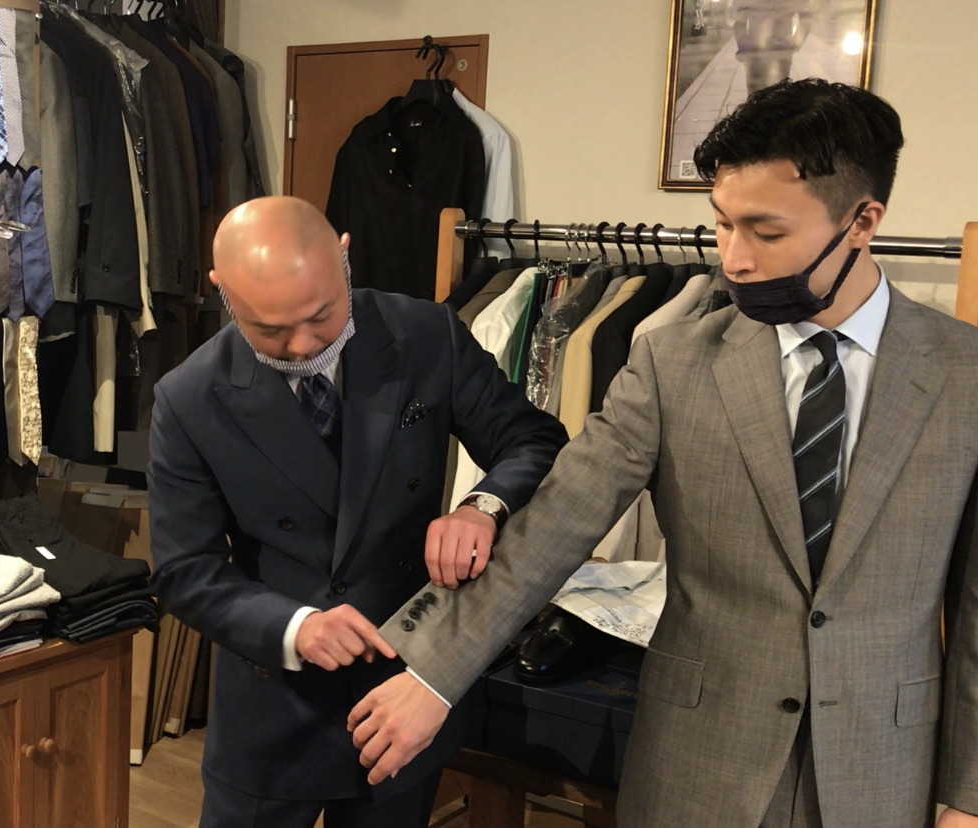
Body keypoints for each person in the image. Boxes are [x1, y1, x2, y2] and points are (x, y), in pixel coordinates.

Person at [348, 79, 978, 828]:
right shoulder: (671, 362)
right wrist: (436, 671)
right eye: (722, 225)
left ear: (862, 222)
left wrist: (969, 796)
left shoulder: (964, 375)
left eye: (765, 232)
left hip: (882, 770)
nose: (734, 260)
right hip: (699, 763)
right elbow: (557, 520)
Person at [148, 196, 567, 828]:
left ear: (344, 256)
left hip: (403, 684)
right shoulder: (188, 397)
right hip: (272, 703)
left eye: (322, 314)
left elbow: (533, 440)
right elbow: (185, 570)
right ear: (223, 291)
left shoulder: (425, 334)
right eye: (270, 330)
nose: (303, 345)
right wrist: (294, 628)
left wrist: (482, 506)